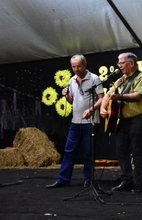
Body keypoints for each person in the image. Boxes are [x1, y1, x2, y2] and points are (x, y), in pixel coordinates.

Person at [46, 54, 104, 188]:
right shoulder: (72, 80)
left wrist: (91, 109)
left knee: (88, 152)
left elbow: (102, 98)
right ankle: (63, 180)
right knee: (68, 150)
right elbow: (72, 101)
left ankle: (89, 180)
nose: (76, 69)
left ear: (85, 65)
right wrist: (66, 96)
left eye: (78, 66)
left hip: (90, 122)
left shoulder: (94, 78)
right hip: (75, 121)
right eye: (73, 67)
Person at [100, 52, 142, 193]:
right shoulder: (121, 79)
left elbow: (138, 96)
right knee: (121, 151)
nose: (119, 65)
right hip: (123, 120)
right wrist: (103, 108)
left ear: (131, 63)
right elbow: (108, 95)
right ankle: (126, 181)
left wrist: (120, 96)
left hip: (139, 118)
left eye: (121, 63)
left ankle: (139, 185)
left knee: (137, 151)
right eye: (119, 63)